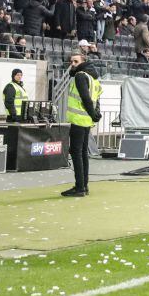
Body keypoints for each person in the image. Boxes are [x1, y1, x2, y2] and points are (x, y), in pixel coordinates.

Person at [62, 52, 102, 197]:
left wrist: (93, 113)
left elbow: (85, 97)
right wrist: (96, 114)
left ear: (83, 62)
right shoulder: (93, 78)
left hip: (79, 120)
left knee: (76, 152)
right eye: (71, 61)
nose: (72, 64)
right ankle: (84, 186)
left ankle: (80, 187)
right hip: (86, 120)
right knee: (83, 153)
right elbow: (97, 98)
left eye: (75, 61)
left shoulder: (80, 76)